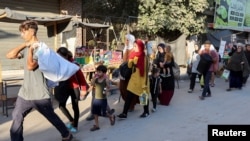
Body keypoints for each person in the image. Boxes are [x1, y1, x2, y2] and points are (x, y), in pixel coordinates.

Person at [6, 20, 73, 141]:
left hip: (39, 94)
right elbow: (9, 55)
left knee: (51, 117)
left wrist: (31, 50)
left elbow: (30, 66)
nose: (22, 35)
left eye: (23, 32)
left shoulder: (42, 49)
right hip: (25, 93)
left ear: (31, 32)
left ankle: (66, 134)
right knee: (16, 116)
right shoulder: (27, 47)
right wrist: (25, 46)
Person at [54, 47, 89, 133]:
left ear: (66, 56)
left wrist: (83, 89)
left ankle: (75, 125)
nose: (59, 58)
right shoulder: (58, 63)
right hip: (63, 87)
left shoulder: (74, 64)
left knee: (75, 106)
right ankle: (71, 120)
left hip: (74, 87)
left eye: (61, 56)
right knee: (61, 106)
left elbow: (81, 77)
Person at [117, 39, 150, 118]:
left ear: (140, 47)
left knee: (143, 97)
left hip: (142, 81)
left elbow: (145, 71)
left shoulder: (145, 58)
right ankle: (124, 113)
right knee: (129, 96)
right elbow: (129, 66)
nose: (134, 48)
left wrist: (144, 84)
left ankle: (146, 112)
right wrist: (131, 58)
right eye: (134, 46)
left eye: (136, 46)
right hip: (134, 79)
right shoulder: (134, 55)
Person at [90, 65, 115, 131]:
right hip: (96, 98)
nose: (98, 73)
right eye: (97, 72)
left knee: (103, 113)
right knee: (95, 113)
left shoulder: (105, 80)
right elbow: (92, 84)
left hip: (103, 99)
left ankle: (111, 116)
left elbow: (108, 87)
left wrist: (105, 91)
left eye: (99, 72)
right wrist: (93, 79)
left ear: (104, 73)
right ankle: (97, 125)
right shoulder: (96, 79)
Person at [119, 33, 138, 112]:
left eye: (127, 40)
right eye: (125, 39)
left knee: (130, 89)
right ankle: (127, 103)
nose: (125, 41)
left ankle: (131, 105)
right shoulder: (125, 49)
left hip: (130, 73)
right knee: (122, 88)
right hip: (124, 72)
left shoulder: (133, 50)